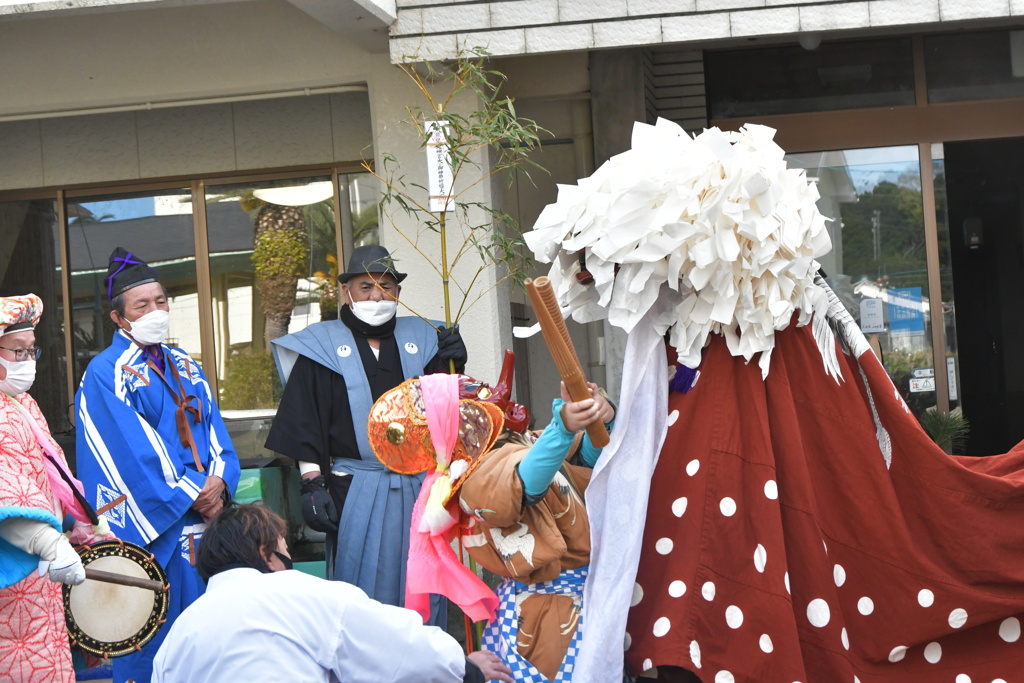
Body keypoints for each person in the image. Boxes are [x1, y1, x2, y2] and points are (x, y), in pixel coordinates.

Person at [266, 244, 467, 624]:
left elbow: (446, 405)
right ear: (347, 292)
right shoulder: (321, 345)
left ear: (398, 293)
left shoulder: (424, 339)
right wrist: (312, 482)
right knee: (358, 587)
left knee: (421, 579)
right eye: (366, 287)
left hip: (419, 485)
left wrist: (454, 361)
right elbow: (305, 418)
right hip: (354, 484)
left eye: (386, 286)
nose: (377, 296)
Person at [76, 248, 240, 683]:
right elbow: (128, 451)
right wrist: (196, 492)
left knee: (217, 642)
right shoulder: (106, 371)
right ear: (118, 318)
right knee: (157, 642)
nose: (156, 311)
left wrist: (220, 482)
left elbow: (216, 433)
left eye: (162, 301)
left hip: (209, 525)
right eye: (142, 305)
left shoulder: (187, 364)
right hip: (159, 532)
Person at [152, 503, 512, 683]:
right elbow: (398, 647)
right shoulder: (293, 590)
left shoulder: (180, 634)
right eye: (284, 550)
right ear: (266, 554)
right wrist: (465, 667)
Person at [459, 381, 614, 681]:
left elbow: (586, 461)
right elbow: (527, 481)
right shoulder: (475, 474)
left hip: (582, 600)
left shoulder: (527, 442)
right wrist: (563, 427)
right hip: (544, 615)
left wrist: (598, 417)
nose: (499, 395)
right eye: (479, 396)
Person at [0, 293, 102, 683]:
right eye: (17, 351)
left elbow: (53, 473)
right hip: (14, 573)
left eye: (32, 351)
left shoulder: (25, 403)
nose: (27, 361)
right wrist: (47, 541)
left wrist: (81, 522)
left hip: (40, 575)